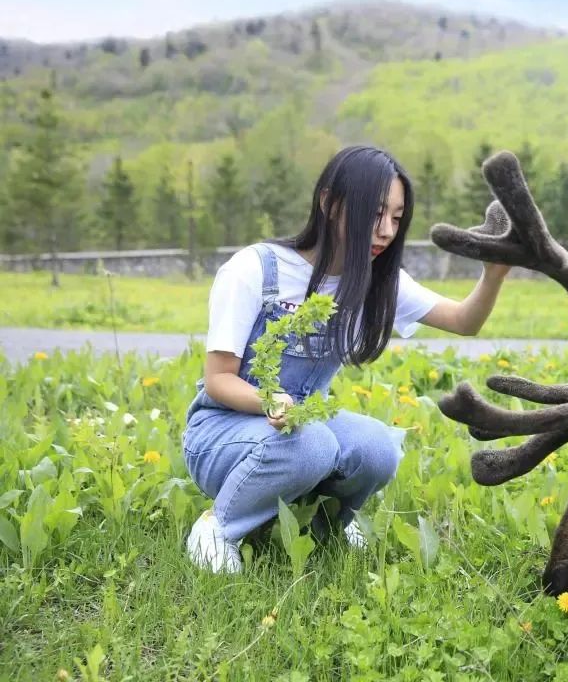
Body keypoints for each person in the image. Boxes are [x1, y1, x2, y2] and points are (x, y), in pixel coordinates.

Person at [181, 145, 509, 573]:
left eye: (396, 217)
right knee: (312, 443)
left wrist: (494, 272)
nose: (387, 230)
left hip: (300, 426)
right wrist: (273, 402)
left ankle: (328, 522)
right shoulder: (255, 270)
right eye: (374, 214)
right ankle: (218, 528)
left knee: (377, 448)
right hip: (222, 433)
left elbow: (464, 321)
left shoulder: (377, 280)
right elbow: (219, 379)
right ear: (329, 202)